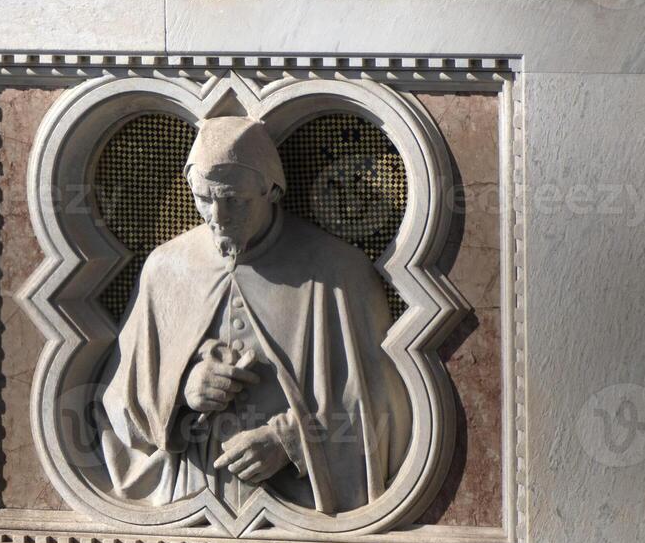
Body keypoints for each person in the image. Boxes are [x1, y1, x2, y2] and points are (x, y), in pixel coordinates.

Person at [95, 115, 410, 516]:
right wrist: (181, 395)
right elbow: (120, 398)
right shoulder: (165, 268)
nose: (218, 217)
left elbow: (383, 405)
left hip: (304, 506)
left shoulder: (336, 271)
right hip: (191, 498)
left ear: (272, 189)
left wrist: (290, 441)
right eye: (204, 199)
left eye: (235, 201)